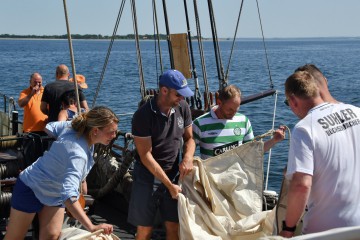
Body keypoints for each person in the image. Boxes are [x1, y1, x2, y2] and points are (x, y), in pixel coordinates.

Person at [4, 106, 118, 239]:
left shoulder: (74, 128)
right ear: (95, 131)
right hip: (31, 187)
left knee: (51, 236)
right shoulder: (78, 154)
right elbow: (69, 196)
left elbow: (50, 127)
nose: (114, 136)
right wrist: (91, 227)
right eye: (111, 132)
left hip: (54, 193)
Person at [279, 71, 360, 238]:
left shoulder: (304, 128)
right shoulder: (356, 112)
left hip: (326, 231)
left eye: (288, 103)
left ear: (293, 100)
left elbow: (301, 185)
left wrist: (288, 229)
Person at [128, 69, 196, 240]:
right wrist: (169, 185)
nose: (182, 98)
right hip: (147, 176)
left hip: (173, 174)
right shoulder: (142, 116)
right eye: (178, 94)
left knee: (174, 226)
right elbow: (145, 156)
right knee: (144, 229)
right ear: (164, 90)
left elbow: (189, 139)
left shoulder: (183, 107)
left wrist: (187, 157)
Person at [193, 84, 285, 159]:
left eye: (236, 110)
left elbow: (252, 152)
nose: (233, 114)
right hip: (211, 179)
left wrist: (274, 140)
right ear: (219, 103)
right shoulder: (200, 123)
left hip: (237, 179)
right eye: (230, 110)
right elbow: (189, 150)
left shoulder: (243, 121)